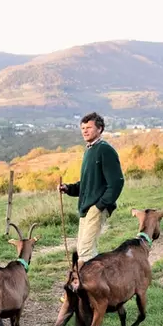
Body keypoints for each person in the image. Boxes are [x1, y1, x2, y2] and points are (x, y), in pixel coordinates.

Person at [58, 112, 125, 273]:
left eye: (89, 127)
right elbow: (87, 184)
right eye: (82, 128)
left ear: (100, 129)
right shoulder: (89, 151)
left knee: (86, 251)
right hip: (85, 207)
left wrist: (101, 204)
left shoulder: (105, 150)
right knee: (82, 249)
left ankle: (80, 288)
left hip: (96, 207)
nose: (84, 131)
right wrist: (69, 188)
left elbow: (117, 182)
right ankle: (89, 287)